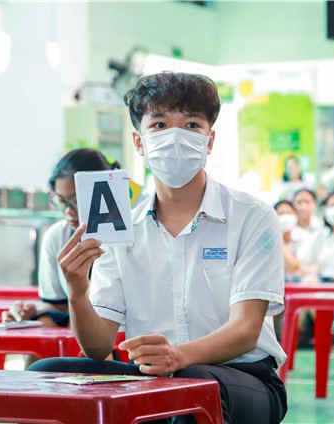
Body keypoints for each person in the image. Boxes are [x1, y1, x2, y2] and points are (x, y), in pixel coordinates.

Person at [29, 72, 288, 424]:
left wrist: (178, 356)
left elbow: (246, 330)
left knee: (188, 387)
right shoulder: (121, 226)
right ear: (139, 142)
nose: (175, 137)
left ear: (209, 140)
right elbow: (99, 346)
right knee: (46, 374)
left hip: (242, 377)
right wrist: (77, 292)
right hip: (152, 376)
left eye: (191, 124)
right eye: (160, 124)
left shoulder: (251, 216)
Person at [1, 148, 119, 326]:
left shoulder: (131, 234)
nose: (68, 211)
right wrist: (35, 310)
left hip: (124, 333)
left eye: (76, 201)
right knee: (44, 321)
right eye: (62, 201)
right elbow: (60, 305)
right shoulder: (57, 236)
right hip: (85, 333)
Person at [274, 200, 301, 278]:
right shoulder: (268, 240)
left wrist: (280, 241)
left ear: (295, 214)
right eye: (281, 214)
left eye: (288, 213)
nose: (285, 217)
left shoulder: (303, 237)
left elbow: (295, 266)